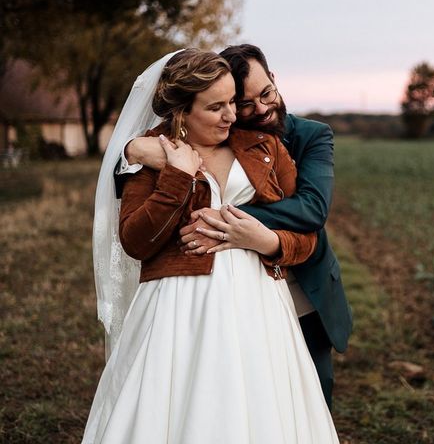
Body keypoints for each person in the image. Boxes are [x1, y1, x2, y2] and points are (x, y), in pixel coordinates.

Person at [87, 49, 339, 443]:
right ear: (182, 112)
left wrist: (265, 239)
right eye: (217, 106)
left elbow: (307, 233)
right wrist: (175, 175)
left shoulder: (262, 147)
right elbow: (135, 241)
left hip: (259, 305)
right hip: (178, 305)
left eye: (231, 103)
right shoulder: (153, 152)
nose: (232, 115)